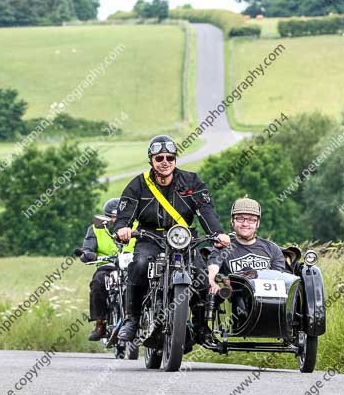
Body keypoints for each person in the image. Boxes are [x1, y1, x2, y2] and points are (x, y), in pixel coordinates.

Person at [113, 135, 230, 342]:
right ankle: (132, 319)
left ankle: (202, 326)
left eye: (170, 157)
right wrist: (123, 228)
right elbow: (125, 213)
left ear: (175, 160)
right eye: (159, 158)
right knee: (139, 264)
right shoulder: (138, 185)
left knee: (202, 275)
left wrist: (217, 233)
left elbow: (206, 210)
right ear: (151, 160)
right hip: (150, 236)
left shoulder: (192, 181)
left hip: (184, 237)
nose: (165, 162)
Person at [77, 198, 136, 341]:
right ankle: (100, 323)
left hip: (132, 267)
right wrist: (88, 254)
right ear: (106, 218)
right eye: (113, 217)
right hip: (107, 267)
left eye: (121, 216)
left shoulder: (136, 227)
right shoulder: (96, 229)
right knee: (98, 283)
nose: (116, 220)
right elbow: (88, 247)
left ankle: (140, 320)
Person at [208, 197, 286, 296]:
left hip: (267, 301)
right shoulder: (223, 246)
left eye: (251, 220)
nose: (245, 224)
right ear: (232, 221)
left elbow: (279, 279)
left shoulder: (272, 249)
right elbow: (213, 266)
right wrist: (212, 283)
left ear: (257, 223)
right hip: (236, 302)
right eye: (240, 218)